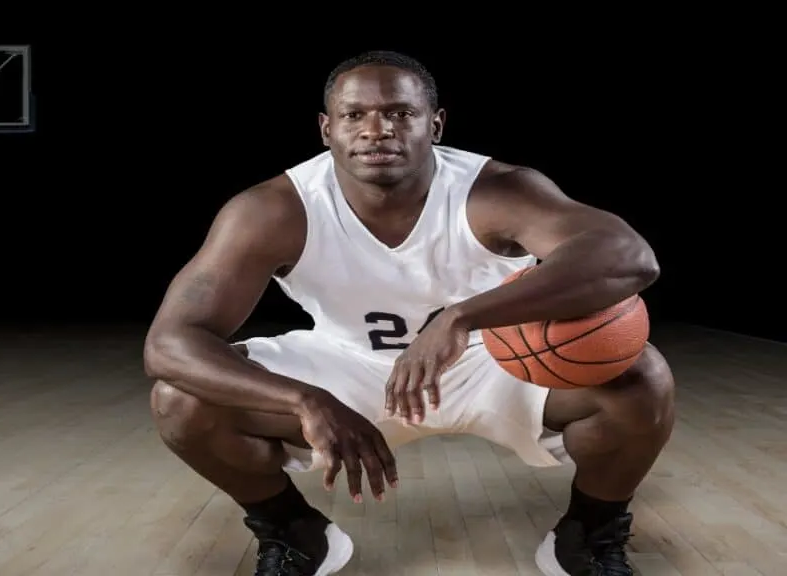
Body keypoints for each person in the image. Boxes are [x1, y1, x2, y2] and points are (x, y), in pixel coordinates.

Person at [143, 50, 675, 576]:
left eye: (400, 112)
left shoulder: (494, 190)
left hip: (493, 360)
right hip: (348, 366)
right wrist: (304, 398)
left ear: (435, 124)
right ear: (327, 129)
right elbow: (169, 344)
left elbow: (629, 257)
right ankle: (292, 532)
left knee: (641, 377)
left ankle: (589, 534)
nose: (377, 130)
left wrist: (459, 317)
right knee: (182, 401)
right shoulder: (273, 209)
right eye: (355, 115)